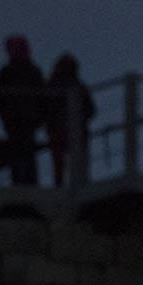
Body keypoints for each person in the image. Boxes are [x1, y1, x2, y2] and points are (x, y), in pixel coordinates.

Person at [0, 35, 46, 186]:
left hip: (19, 119)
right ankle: (28, 182)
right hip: (23, 118)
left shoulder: (8, 71)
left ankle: (20, 181)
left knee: (19, 152)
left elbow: (0, 98)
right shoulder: (32, 70)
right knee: (25, 151)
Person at [45, 52, 95, 187]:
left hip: (61, 131)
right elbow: (90, 110)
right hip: (73, 131)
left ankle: (61, 186)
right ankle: (78, 184)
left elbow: (47, 109)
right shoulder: (79, 86)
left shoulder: (52, 85)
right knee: (75, 162)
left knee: (61, 163)